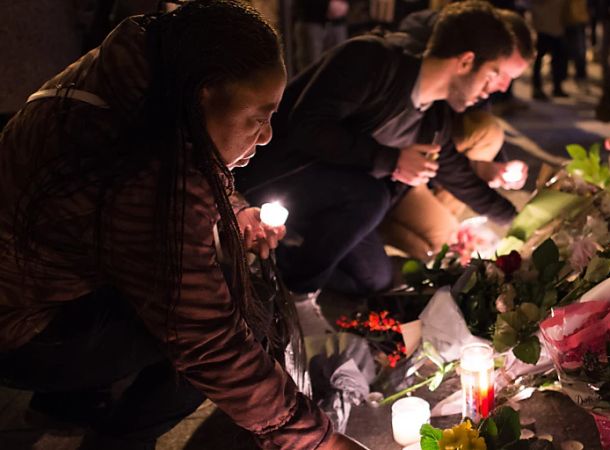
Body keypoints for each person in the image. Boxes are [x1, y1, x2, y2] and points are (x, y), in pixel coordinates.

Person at [0, 1, 363, 449]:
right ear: (204, 95)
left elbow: (187, 175)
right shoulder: (142, 167)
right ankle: (120, 441)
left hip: (43, 283)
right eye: (258, 117)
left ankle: (68, 402)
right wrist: (318, 441)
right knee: (239, 312)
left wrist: (233, 208)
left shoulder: (135, 74)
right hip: (22, 330)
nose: (267, 135)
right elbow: (208, 341)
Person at [234, 0, 518, 298]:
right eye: (492, 74)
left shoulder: (434, 116)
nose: (494, 88)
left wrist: (518, 221)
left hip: (340, 200)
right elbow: (307, 126)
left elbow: (456, 173)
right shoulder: (371, 59)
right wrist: (392, 160)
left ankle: (279, 266)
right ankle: (300, 292)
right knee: (371, 196)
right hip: (279, 177)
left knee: (374, 281)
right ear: (464, 62)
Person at [382, 7, 534, 260]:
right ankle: (377, 229)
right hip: (386, 179)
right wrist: (390, 160)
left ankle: (431, 218)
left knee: (452, 246)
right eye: (500, 73)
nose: (504, 85)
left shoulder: (451, 98)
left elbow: (449, 158)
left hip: (423, 165)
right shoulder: (418, 77)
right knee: (442, 248)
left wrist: (494, 169)